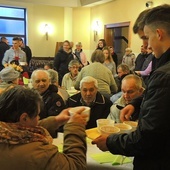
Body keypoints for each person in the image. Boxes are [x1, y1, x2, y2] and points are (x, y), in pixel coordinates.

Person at [92, 4, 170, 170]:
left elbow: (148, 137)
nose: (147, 46)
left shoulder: (164, 75)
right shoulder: (162, 67)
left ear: (158, 34)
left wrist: (110, 142)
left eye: (147, 38)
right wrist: (135, 103)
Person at [0, 86, 87, 170]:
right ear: (24, 118)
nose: (38, 118)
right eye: (37, 115)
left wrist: (56, 120)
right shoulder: (38, 152)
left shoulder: (6, 133)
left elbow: (21, 131)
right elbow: (75, 165)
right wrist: (74, 126)